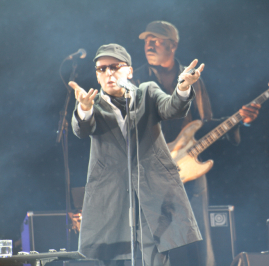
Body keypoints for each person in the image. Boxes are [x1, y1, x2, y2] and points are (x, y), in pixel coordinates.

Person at [132, 21, 261, 266]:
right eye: (146, 40)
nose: (149, 44)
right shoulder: (137, 78)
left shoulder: (194, 79)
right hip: (152, 169)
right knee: (156, 241)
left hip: (189, 170)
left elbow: (206, 124)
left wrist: (240, 120)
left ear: (173, 45)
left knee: (197, 239)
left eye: (156, 39)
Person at [70, 43, 205, 266]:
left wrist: (182, 88)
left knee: (155, 259)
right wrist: (83, 109)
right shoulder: (92, 104)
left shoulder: (147, 93)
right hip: (112, 200)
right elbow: (81, 129)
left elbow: (172, 108)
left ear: (130, 71)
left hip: (153, 197)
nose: (108, 73)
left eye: (114, 66)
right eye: (101, 69)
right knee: (114, 258)